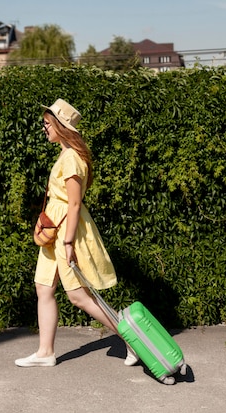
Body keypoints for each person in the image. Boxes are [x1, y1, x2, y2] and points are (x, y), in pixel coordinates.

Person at [15, 99, 138, 368]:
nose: (44, 129)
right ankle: (46, 352)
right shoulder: (66, 154)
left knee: (78, 295)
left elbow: (73, 203)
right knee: (43, 287)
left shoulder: (71, 158)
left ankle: (132, 341)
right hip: (54, 229)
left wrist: (69, 241)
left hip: (64, 231)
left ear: (60, 125)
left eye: (47, 124)